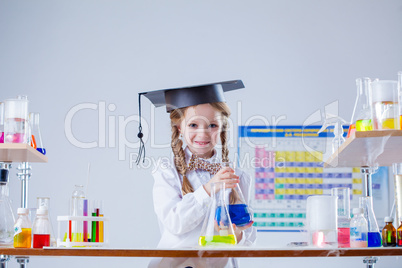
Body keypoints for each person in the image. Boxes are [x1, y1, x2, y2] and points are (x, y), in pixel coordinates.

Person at [137, 80, 256, 267]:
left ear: (222, 127)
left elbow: (248, 236)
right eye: (193, 125)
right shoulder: (167, 170)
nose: (203, 133)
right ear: (179, 128)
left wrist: (238, 233)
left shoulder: (236, 176)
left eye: (212, 125)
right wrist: (209, 189)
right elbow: (175, 223)